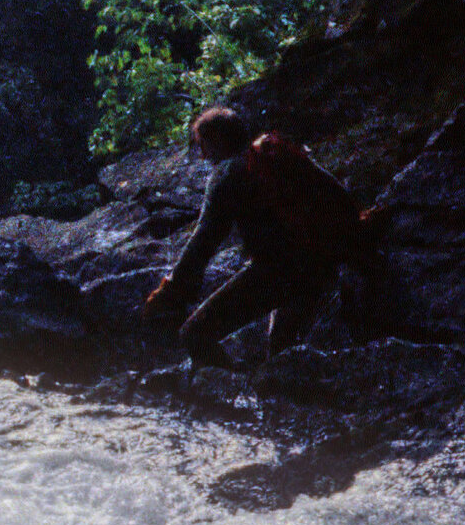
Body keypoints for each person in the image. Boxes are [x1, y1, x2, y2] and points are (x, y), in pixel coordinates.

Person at [142, 104, 377, 366]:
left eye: (203, 145)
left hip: (277, 271)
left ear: (217, 140)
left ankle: (232, 402)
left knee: (194, 335)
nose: (203, 156)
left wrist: (169, 292)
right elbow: (336, 191)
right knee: (280, 350)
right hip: (322, 260)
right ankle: (280, 396)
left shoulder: (227, 173)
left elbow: (204, 241)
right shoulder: (274, 152)